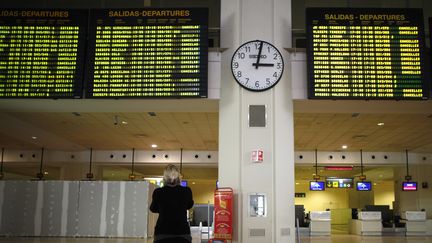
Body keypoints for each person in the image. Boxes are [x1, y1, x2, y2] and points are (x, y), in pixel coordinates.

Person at [150, 164, 194, 243]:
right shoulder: (187, 191)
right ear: (178, 176)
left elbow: (153, 208)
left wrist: (164, 208)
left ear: (164, 177)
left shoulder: (158, 192)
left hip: (162, 233)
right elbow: (189, 205)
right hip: (182, 233)